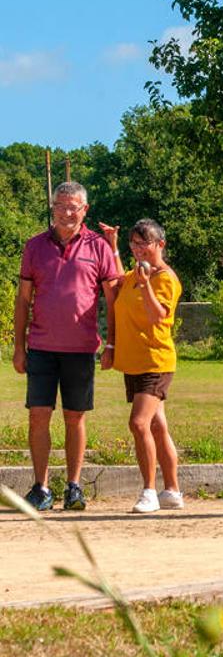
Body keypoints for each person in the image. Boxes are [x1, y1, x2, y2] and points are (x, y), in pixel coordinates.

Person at [12, 182, 119, 511]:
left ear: (85, 210)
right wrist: (19, 347)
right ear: (53, 208)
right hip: (41, 347)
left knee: (75, 418)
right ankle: (41, 488)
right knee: (38, 417)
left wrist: (111, 344)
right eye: (60, 205)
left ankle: (74, 487)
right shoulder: (34, 246)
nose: (67, 212)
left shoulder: (98, 247)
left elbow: (113, 299)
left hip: (81, 348)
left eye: (73, 207)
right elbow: (23, 300)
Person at [110, 219, 184, 514]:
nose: (138, 249)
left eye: (144, 243)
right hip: (135, 360)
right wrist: (113, 246)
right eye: (134, 243)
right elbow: (118, 280)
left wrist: (144, 285)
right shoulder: (135, 274)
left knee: (138, 423)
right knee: (157, 425)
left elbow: (158, 316)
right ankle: (173, 491)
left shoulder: (165, 278)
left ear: (160, 244)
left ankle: (149, 491)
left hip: (155, 360)